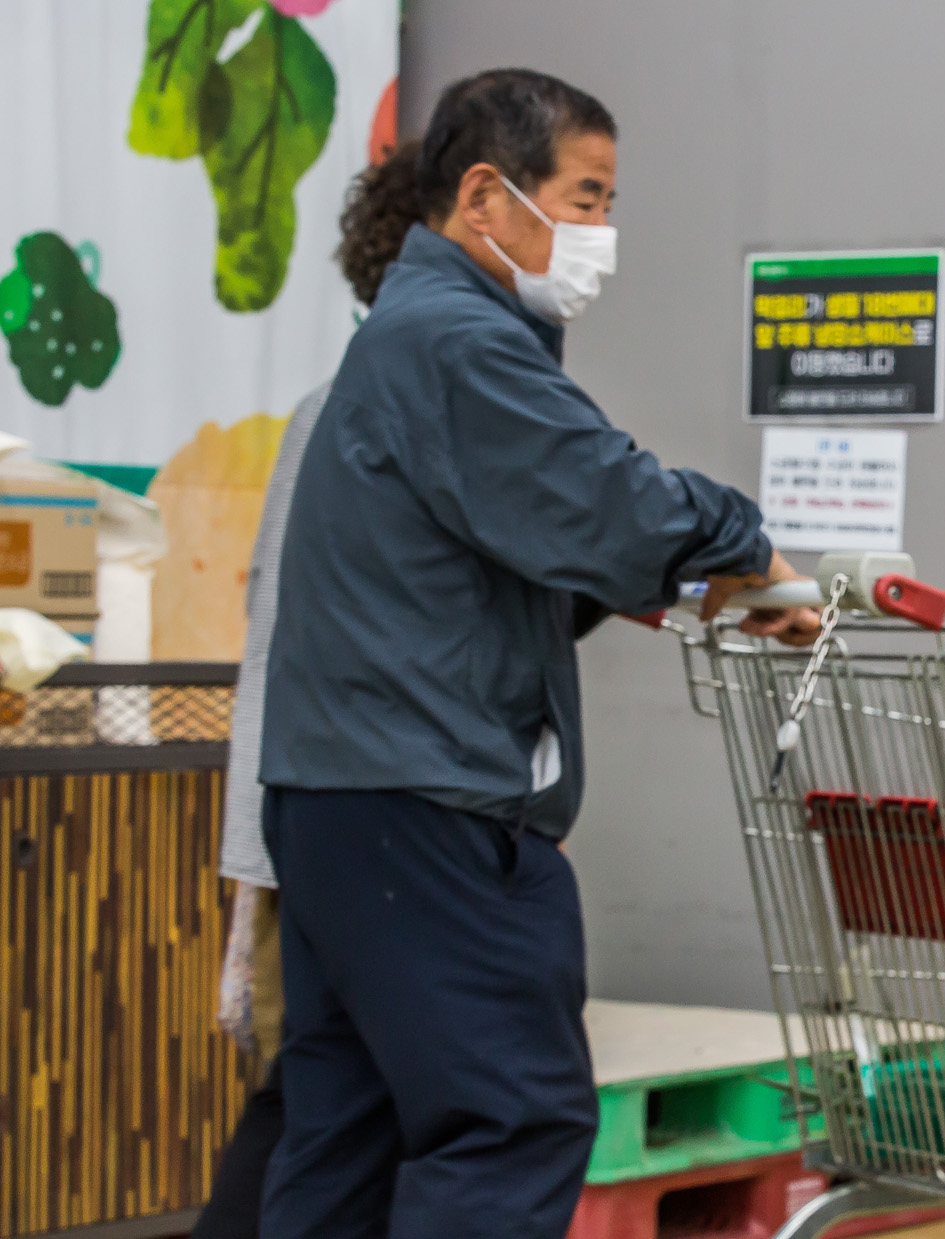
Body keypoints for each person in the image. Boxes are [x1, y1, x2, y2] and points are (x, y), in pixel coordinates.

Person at [257, 69, 817, 1239]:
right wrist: (742, 544)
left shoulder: (416, 339)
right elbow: (614, 502)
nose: (603, 234)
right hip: (433, 802)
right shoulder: (459, 340)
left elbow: (511, 575)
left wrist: (686, 589)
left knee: (348, 1135)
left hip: (338, 802)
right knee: (508, 1119)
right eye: (588, 197)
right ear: (485, 195)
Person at [193, 138, 430, 1239]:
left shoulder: (420, 403)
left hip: (399, 835)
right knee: (313, 1106)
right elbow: (273, 644)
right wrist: (251, 893)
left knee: (333, 1110)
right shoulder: (344, 412)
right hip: (331, 831)